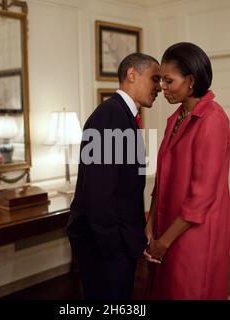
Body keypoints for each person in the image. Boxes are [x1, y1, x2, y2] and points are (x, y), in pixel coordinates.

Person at [67, 53, 161, 299]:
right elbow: (98, 192)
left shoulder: (123, 115)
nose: (159, 87)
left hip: (118, 242)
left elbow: (124, 187)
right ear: (132, 75)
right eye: (155, 79)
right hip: (105, 247)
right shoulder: (109, 117)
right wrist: (114, 246)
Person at [144, 42, 230, 300]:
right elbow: (162, 178)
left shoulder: (213, 120)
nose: (162, 87)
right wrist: (151, 224)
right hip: (169, 221)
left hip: (195, 229)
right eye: (161, 80)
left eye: (169, 81)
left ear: (191, 81)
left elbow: (201, 196)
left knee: (190, 288)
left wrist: (163, 243)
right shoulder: (178, 116)